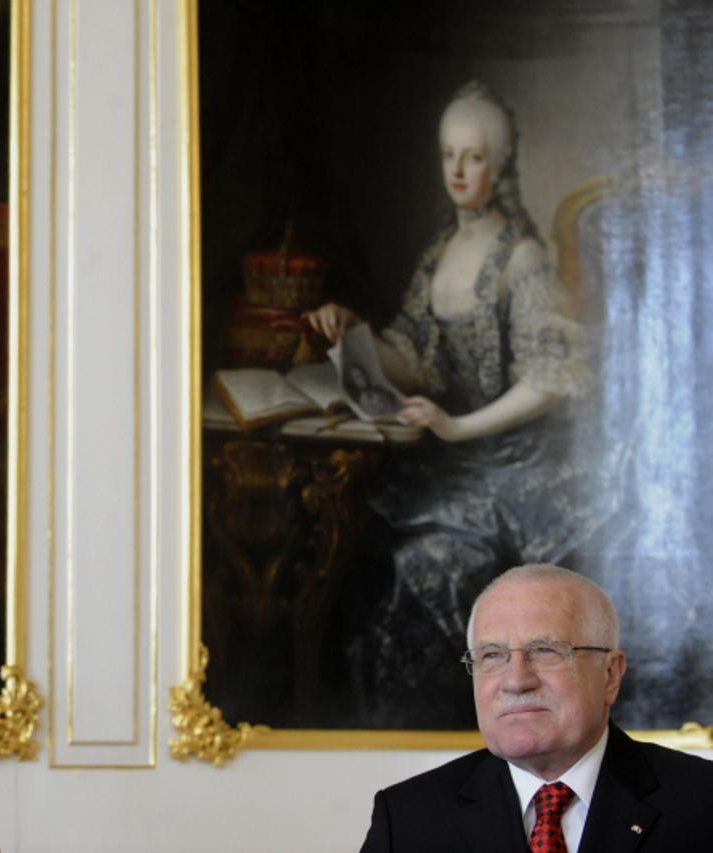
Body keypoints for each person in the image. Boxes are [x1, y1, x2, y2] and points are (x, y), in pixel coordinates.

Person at [304, 82, 607, 690]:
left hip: (513, 464)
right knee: (360, 554)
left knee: (420, 568)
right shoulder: (440, 252)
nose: (459, 171)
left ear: (498, 166)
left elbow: (550, 377)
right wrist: (353, 333)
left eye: (473, 157)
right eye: (449, 156)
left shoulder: (519, 258)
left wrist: (459, 426)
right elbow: (416, 357)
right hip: (450, 458)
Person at [359, 564, 713, 852]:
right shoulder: (408, 819)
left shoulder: (702, 804)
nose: (515, 681)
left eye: (546, 651)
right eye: (492, 655)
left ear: (609, 675)